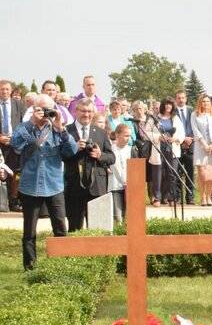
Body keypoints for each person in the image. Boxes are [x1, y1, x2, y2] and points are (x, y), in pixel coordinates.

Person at [10, 94, 77, 269]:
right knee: (29, 232)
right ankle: (30, 267)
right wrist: (32, 123)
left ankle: (61, 266)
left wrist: (61, 128)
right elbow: (15, 146)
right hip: (30, 186)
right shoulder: (25, 127)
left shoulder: (58, 129)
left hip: (54, 185)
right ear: (34, 109)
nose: (46, 113)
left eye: (49, 109)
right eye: (42, 109)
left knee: (61, 229)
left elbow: (72, 151)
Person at [63, 98, 115, 231]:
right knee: (75, 227)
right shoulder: (66, 131)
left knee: (99, 228)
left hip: (97, 186)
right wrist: (74, 148)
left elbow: (111, 157)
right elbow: (60, 155)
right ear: (76, 111)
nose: (86, 115)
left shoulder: (101, 132)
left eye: (89, 111)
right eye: (83, 111)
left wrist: (100, 155)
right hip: (75, 186)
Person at [151, 97, 185, 206]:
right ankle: (157, 198)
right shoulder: (154, 118)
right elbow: (146, 133)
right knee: (158, 174)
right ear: (162, 106)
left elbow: (182, 133)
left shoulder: (176, 119)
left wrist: (176, 139)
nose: (168, 106)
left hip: (172, 149)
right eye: (166, 104)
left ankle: (172, 198)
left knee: (172, 174)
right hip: (158, 149)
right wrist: (158, 137)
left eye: (170, 104)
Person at [190, 93, 212, 206]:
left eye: (207, 101)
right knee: (202, 172)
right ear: (200, 103)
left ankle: (209, 197)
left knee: (211, 171)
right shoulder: (195, 115)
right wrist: (204, 144)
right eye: (204, 101)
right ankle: (202, 197)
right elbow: (195, 130)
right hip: (200, 145)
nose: (206, 103)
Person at [0, 79, 26, 212]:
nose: (4, 91)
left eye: (6, 89)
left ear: (11, 91)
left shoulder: (19, 105)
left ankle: (14, 200)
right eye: (2, 89)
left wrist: (14, 138)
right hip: (1, 146)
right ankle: (2, 202)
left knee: (16, 173)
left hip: (15, 145)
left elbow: (24, 124)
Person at [108, 123, 136, 223]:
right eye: (126, 135)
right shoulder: (110, 149)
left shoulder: (131, 150)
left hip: (128, 186)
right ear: (117, 135)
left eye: (129, 136)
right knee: (118, 216)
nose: (128, 138)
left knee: (127, 216)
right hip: (115, 185)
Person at [174, 89, 195, 204]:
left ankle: (190, 197)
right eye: (179, 98)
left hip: (191, 144)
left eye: (183, 98)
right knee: (177, 172)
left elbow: (195, 127)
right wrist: (182, 140)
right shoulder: (173, 112)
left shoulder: (192, 110)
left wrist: (189, 139)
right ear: (175, 99)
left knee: (190, 172)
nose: (181, 100)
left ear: (186, 99)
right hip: (177, 145)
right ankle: (178, 197)